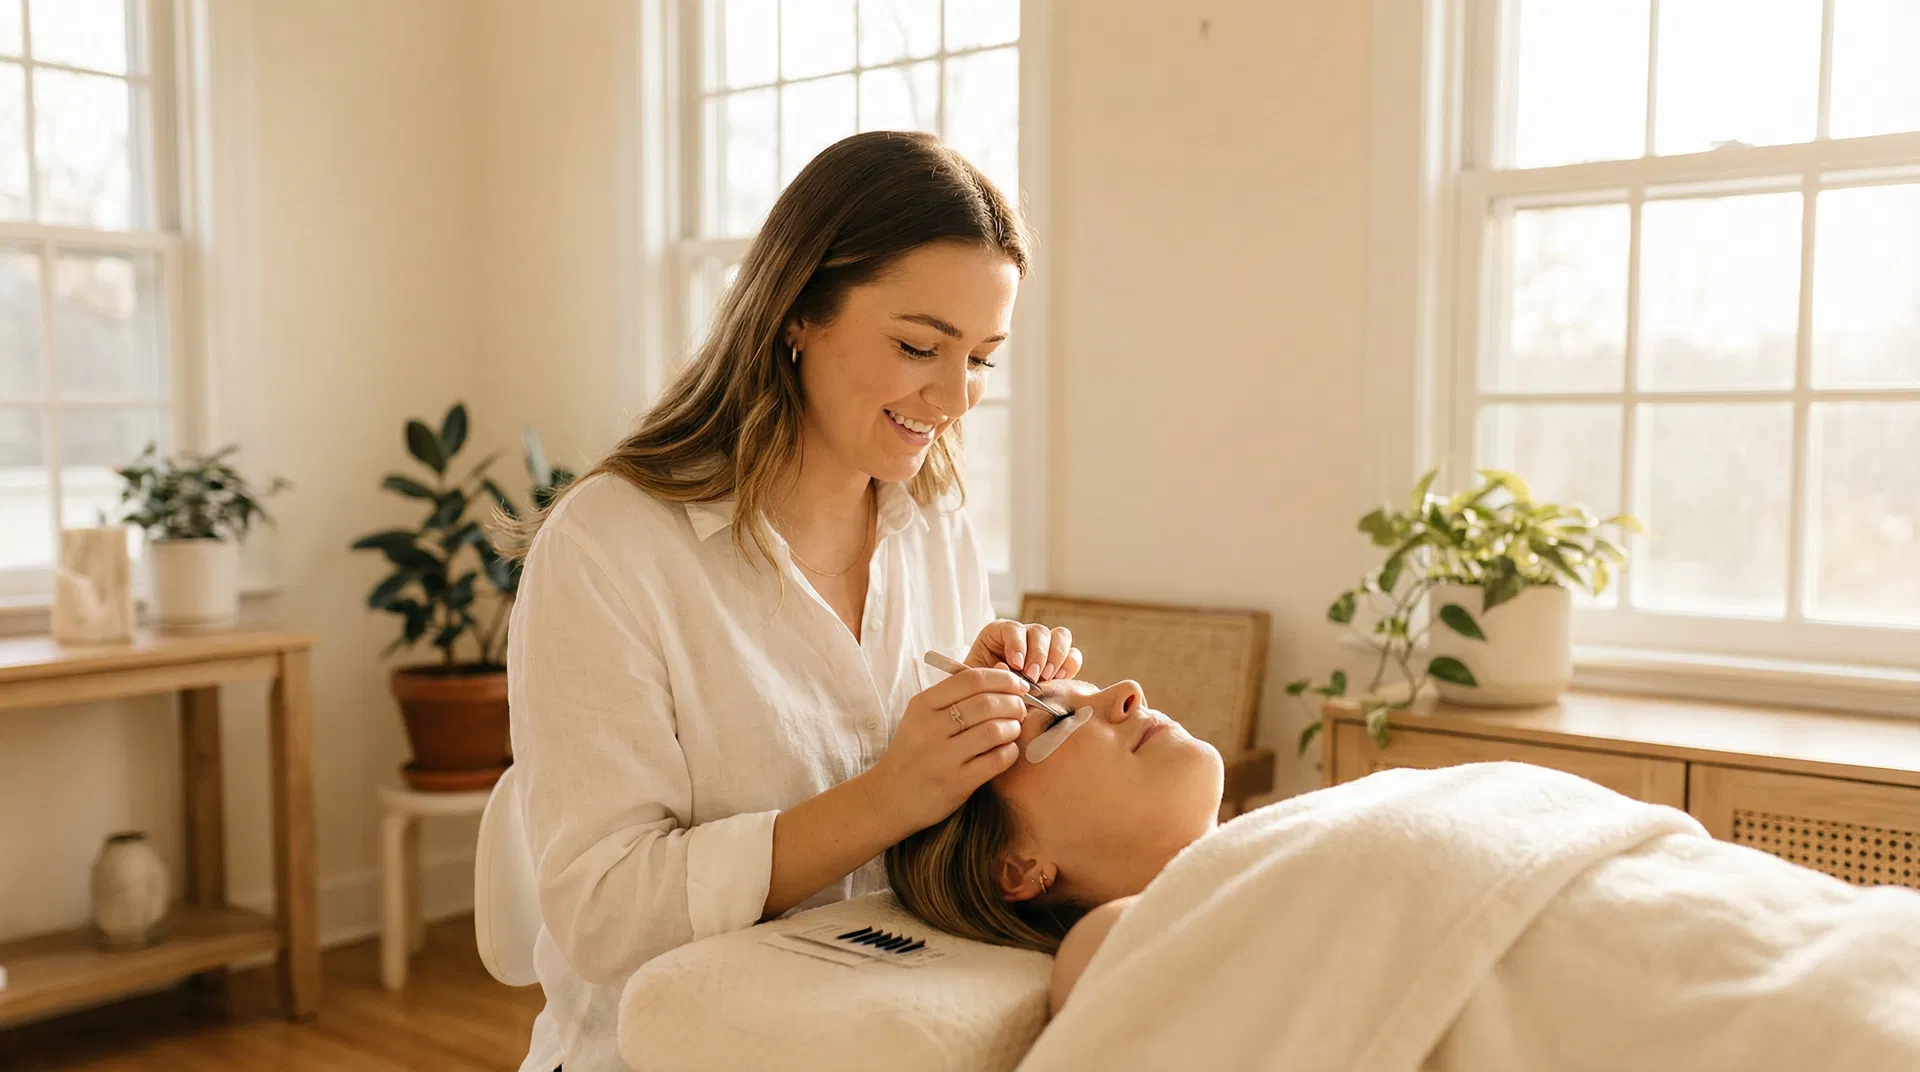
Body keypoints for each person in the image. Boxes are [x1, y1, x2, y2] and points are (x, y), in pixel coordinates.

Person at [501, 131, 1082, 1072]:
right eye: (919, 346)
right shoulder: (609, 547)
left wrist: (994, 724)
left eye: (982, 357)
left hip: (872, 1033)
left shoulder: (935, 523)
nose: (955, 396)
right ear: (798, 312)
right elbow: (603, 914)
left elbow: (945, 839)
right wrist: (889, 796)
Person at [887, 679, 1920, 1069]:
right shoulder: (1119, 934)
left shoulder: (1290, 836)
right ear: (1020, 866)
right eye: (1061, 720)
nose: (1121, 692)